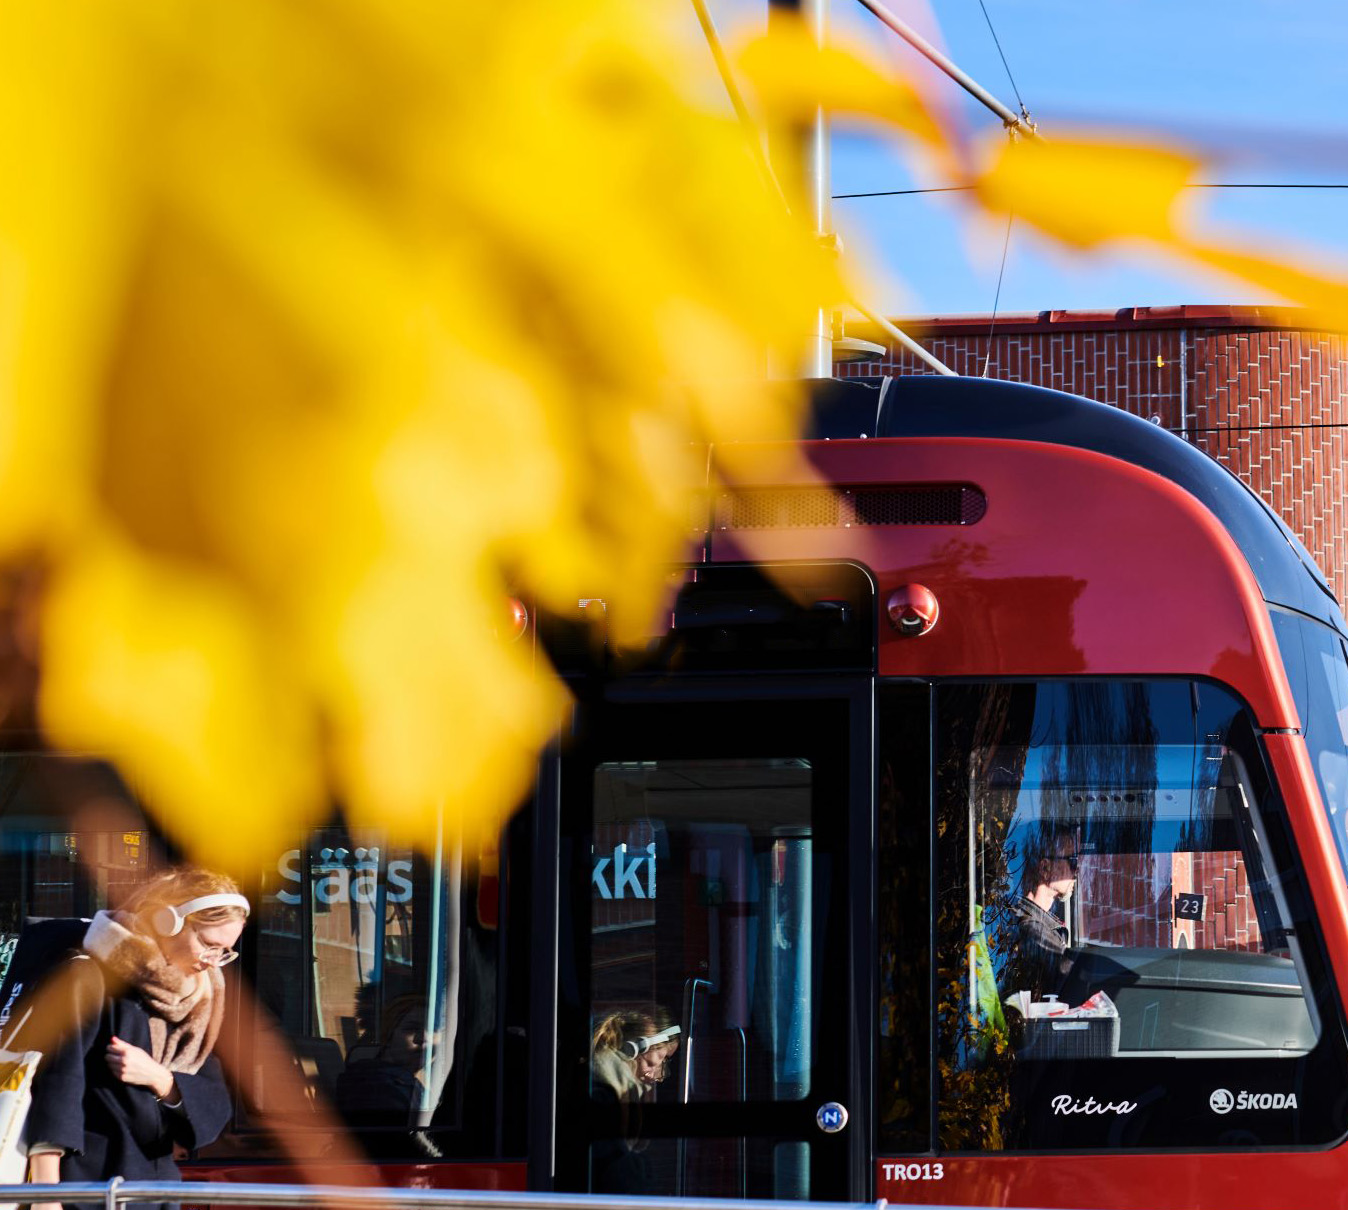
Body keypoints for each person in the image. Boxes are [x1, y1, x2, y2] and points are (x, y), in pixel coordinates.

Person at [25, 867, 249, 1210]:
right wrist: (46, 1195)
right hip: (86, 1188)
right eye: (208, 944)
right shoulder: (87, 976)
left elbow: (214, 1099)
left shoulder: (201, 998)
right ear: (166, 922)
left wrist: (162, 1080)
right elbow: (57, 1082)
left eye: (225, 951)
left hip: (155, 1188)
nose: (212, 961)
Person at [335, 994, 442, 1158]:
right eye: (411, 1029)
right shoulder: (376, 1089)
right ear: (388, 1036)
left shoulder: (404, 1080)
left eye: (433, 1029)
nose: (424, 1038)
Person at [588, 1007, 681, 1193]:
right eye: (662, 1059)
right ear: (636, 1047)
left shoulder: (612, 1083)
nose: (660, 1074)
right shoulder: (607, 1089)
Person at [1011, 828, 1079, 999]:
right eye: (1072, 861)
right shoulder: (1032, 929)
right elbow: (1073, 974)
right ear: (1045, 868)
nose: (1076, 871)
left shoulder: (1038, 923)